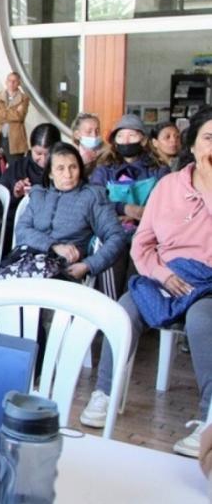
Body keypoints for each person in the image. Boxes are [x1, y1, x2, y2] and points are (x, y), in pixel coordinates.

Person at [80, 107, 212, 457]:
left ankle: (208, 418)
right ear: (194, 145)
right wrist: (161, 273)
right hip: (165, 275)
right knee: (124, 309)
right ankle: (105, 393)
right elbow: (143, 243)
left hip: (208, 283)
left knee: (202, 321)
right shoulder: (169, 186)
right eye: (209, 138)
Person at [6, 142, 126, 282]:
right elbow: (22, 229)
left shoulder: (92, 196)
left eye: (73, 167)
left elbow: (117, 236)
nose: (68, 175)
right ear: (50, 173)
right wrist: (54, 246)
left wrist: (88, 265)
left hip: (64, 271)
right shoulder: (39, 195)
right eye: (60, 169)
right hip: (24, 264)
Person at [90, 114, 170, 230]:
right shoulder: (104, 170)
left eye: (132, 136)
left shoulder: (159, 169)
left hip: (150, 229)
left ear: (143, 140)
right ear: (115, 142)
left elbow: (168, 202)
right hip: (110, 229)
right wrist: (124, 208)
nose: (125, 141)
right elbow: (94, 200)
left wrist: (142, 215)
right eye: (120, 136)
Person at [0, 123, 63, 252]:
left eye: (48, 153)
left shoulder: (64, 169)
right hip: (21, 228)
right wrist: (16, 195)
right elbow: (0, 203)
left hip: (57, 228)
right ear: (30, 148)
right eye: (38, 153)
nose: (43, 159)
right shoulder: (18, 168)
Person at [0, 71, 30, 162]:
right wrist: (12, 113)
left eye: (14, 81)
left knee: (15, 168)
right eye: (9, 80)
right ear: (6, 82)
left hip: (15, 139)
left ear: (19, 83)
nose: (11, 83)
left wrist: (1, 112)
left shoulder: (24, 98)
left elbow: (20, 117)